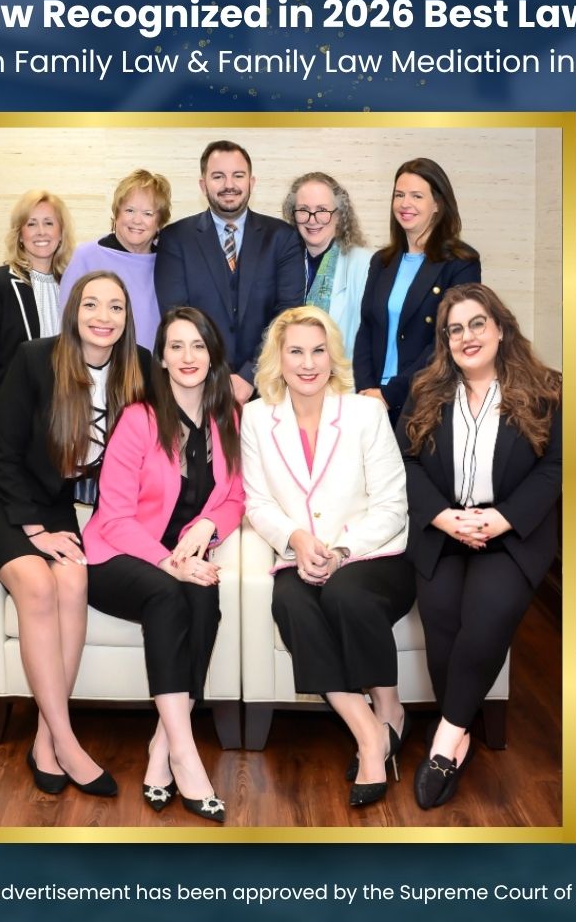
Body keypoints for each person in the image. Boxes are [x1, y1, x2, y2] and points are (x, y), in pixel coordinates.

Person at [0, 271, 148, 798]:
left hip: (54, 500)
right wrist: (33, 530)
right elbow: (2, 452)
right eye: (91, 305)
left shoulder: (140, 367)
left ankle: (45, 739)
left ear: (127, 317)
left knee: (74, 582)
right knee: (38, 586)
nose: (102, 317)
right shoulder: (36, 358)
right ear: (74, 311)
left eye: (115, 307)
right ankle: (68, 742)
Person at [396, 284, 561, 809]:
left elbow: (557, 467)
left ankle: (445, 743)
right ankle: (461, 724)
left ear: (500, 327)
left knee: (485, 617)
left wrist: (502, 520)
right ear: (445, 342)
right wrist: (444, 518)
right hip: (444, 529)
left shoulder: (545, 391)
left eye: (476, 324)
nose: (467, 337)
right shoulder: (426, 392)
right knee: (442, 617)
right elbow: (405, 463)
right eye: (455, 329)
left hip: (509, 535)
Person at [241, 306, 413, 808]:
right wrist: (295, 539)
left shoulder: (364, 413)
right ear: (279, 358)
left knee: (343, 593)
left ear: (332, 356)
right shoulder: (256, 417)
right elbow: (257, 502)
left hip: (373, 553)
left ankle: (390, 705)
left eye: (318, 350)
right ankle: (367, 731)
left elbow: (391, 504)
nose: (308, 362)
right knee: (291, 603)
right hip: (298, 555)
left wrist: (340, 550)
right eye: (295, 351)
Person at [82, 307, 245, 823]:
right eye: (176, 346)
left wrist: (206, 529)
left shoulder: (227, 417)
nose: (188, 356)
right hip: (117, 555)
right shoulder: (140, 418)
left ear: (212, 353)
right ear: (163, 357)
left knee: (206, 595)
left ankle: (161, 746)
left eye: (198, 345)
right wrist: (169, 563)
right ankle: (188, 757)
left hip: (182, 555)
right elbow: (114, 516)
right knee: (170, 593)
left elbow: (236, 496)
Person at [155, 140, 305, 404]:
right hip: (199, 387)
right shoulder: (175, 239)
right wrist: (216, 377)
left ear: (251, 181)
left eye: (238, 175)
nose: (229, 185)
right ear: (203, 185)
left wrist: (250, 375)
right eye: (218, 176)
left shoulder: (283, 238)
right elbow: (176, 316)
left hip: (269, 389)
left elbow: (287, 315)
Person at [353, 158, 481, 425]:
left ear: (437, 204)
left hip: (427, 399)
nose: (405, 204)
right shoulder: (382, 261)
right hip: (373, 400)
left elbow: (449, 339)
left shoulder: (461, 263)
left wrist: (391, 394)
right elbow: (366, 328)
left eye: (416, 196)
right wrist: (366, 391)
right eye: (399, 195)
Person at [0, 188, 75, 462]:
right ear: (20, 234)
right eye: (31, 224)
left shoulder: (72, 287)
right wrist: (17, 411)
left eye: (48, 223)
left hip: (51, 423)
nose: (41, 232)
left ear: (61, 232)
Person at [59, 169, 172, 349]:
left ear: (160, 222)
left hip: (156, 371)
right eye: (129, 210)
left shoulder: (169, 263)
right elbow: (66, 323)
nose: (137, 220)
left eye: (148, 213)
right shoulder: (87, 256)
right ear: (116, 214)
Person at [282, 171, 374, 360]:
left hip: (343, 381)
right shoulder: (283, 262)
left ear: (339, 216)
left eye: (322, 211)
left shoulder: (365, 265)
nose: (312, 219)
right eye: (303, 210)